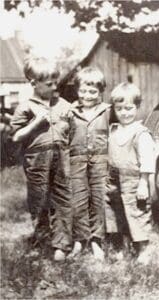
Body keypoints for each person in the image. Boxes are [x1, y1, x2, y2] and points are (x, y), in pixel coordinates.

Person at [10, 57, 74, 262]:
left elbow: (72, 131)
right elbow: (16, 136)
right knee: (39, 199)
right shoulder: (25, 107)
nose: (55, 86)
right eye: (49, 84)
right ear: (33, 83)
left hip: (62, 157)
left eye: (56, 81)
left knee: (62, 198)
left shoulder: (63, 104)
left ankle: (61, 245)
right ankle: (42, 238)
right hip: (37, 159)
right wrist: (36, 123)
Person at [105, 82, 155, 264]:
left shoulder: (140, 133)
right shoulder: (114, 129)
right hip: (113, 180)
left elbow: (148, 160)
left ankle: (143, 249)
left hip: (134, 181)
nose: (124, 113)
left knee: (137, 213)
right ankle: (121, 247)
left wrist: (143, 183)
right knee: (116, 213)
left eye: (129, 108)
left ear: (137, 107)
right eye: (119, 109)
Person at [69, 67, 111, 260]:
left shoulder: (108, 111)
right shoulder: (70, 112)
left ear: (101, 91)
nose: (87, 95)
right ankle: (79, 240)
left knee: (99, 200)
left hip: (101, 162)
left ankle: (96, 241)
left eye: (93, 91)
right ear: (77, 90)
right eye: (83, 90)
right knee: (78, 201)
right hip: (76, 162)